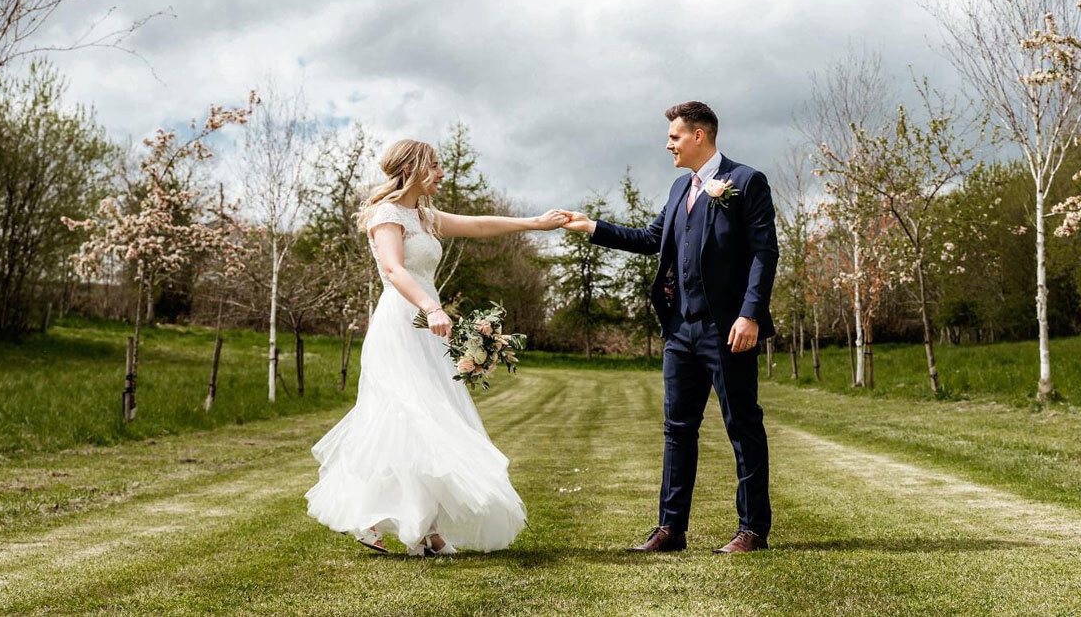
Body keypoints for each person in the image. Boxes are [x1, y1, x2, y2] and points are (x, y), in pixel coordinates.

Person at [304, 138, 569, 556]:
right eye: (435, 165)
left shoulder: (423, 215)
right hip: (403, 320)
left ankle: (425, 530)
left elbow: (478, 226)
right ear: (411, 168)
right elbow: (394, 269)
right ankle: (371, 516)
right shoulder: (386, 214)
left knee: (432, 418)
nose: (442, 174)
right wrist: (430, 306)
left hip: (429, 326)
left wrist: (535, 223)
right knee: (412, 415)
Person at [563, 101, 779, 554]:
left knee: (742, 426)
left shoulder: (746, 181)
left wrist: (750, 314)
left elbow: (765, 253)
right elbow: (651, 239)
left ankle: (752, 530)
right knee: (677, 429)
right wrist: (592, 227)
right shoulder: (681, 187)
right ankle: (670, 529)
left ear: (699, 135)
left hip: (729, 329)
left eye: (674, 137)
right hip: (680, 330)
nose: (668, 145)